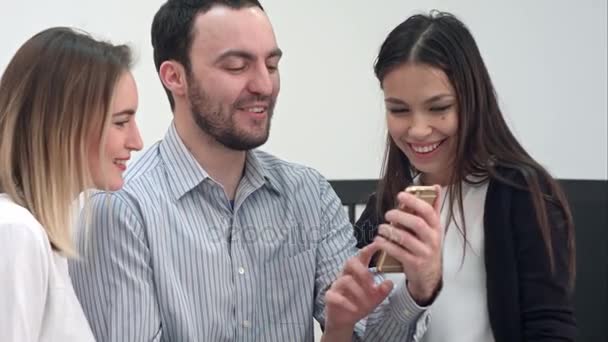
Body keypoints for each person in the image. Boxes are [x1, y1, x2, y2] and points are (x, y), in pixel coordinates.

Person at [68, 1, 443, 341]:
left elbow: (368, 335)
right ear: (174, 77)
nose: (264, 84)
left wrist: (418, 289)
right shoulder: (117, 209)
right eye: (236, 66)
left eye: (272, 64)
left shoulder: (308, 194)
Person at [354, 10, 577, 342]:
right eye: (399, 110)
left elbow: (550, 327)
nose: (417, 129)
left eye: (439, 107)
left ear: (472, 100)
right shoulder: (383, 207)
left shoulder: (520, 194)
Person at [0, 27, 143, 341]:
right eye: (121, 122)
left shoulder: (37, 237)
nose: (137, 141)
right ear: (63, 126)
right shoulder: (16, 233)